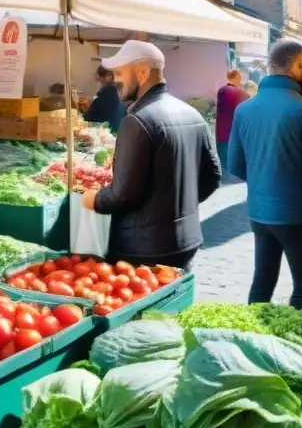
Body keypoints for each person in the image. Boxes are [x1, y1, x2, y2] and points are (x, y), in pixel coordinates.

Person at [227, 39, 302, 308]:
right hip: (298, 215)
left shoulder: (244, 109)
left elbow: (235, 164)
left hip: (259, 213)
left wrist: (264, 180)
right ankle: (295, 341)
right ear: (297, 66)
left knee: (263, 280)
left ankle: (253, 335)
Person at [91, 41, 220, 272]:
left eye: (119, 72)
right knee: (174, 304)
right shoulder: (193, 114)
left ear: (142, 72)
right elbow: (212, 176)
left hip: (142, 248)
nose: (115, 79)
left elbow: (122, 194)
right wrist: (177, 205)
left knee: (143, 306)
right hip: (185, 241)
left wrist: (93, 200)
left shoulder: (137, 120)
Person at [215, 69, 249, 175]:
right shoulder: (244, 94)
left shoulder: (222, 91)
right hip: (238, 134)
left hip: (223, 133)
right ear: (237, 77)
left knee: (224, 162)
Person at [83, 66, 123, 133]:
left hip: (103, 127)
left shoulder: (110, 90)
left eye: (109, 75)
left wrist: (85, 113)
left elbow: (96, 109)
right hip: (102, 124)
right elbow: (96, 101)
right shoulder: (105, 89)